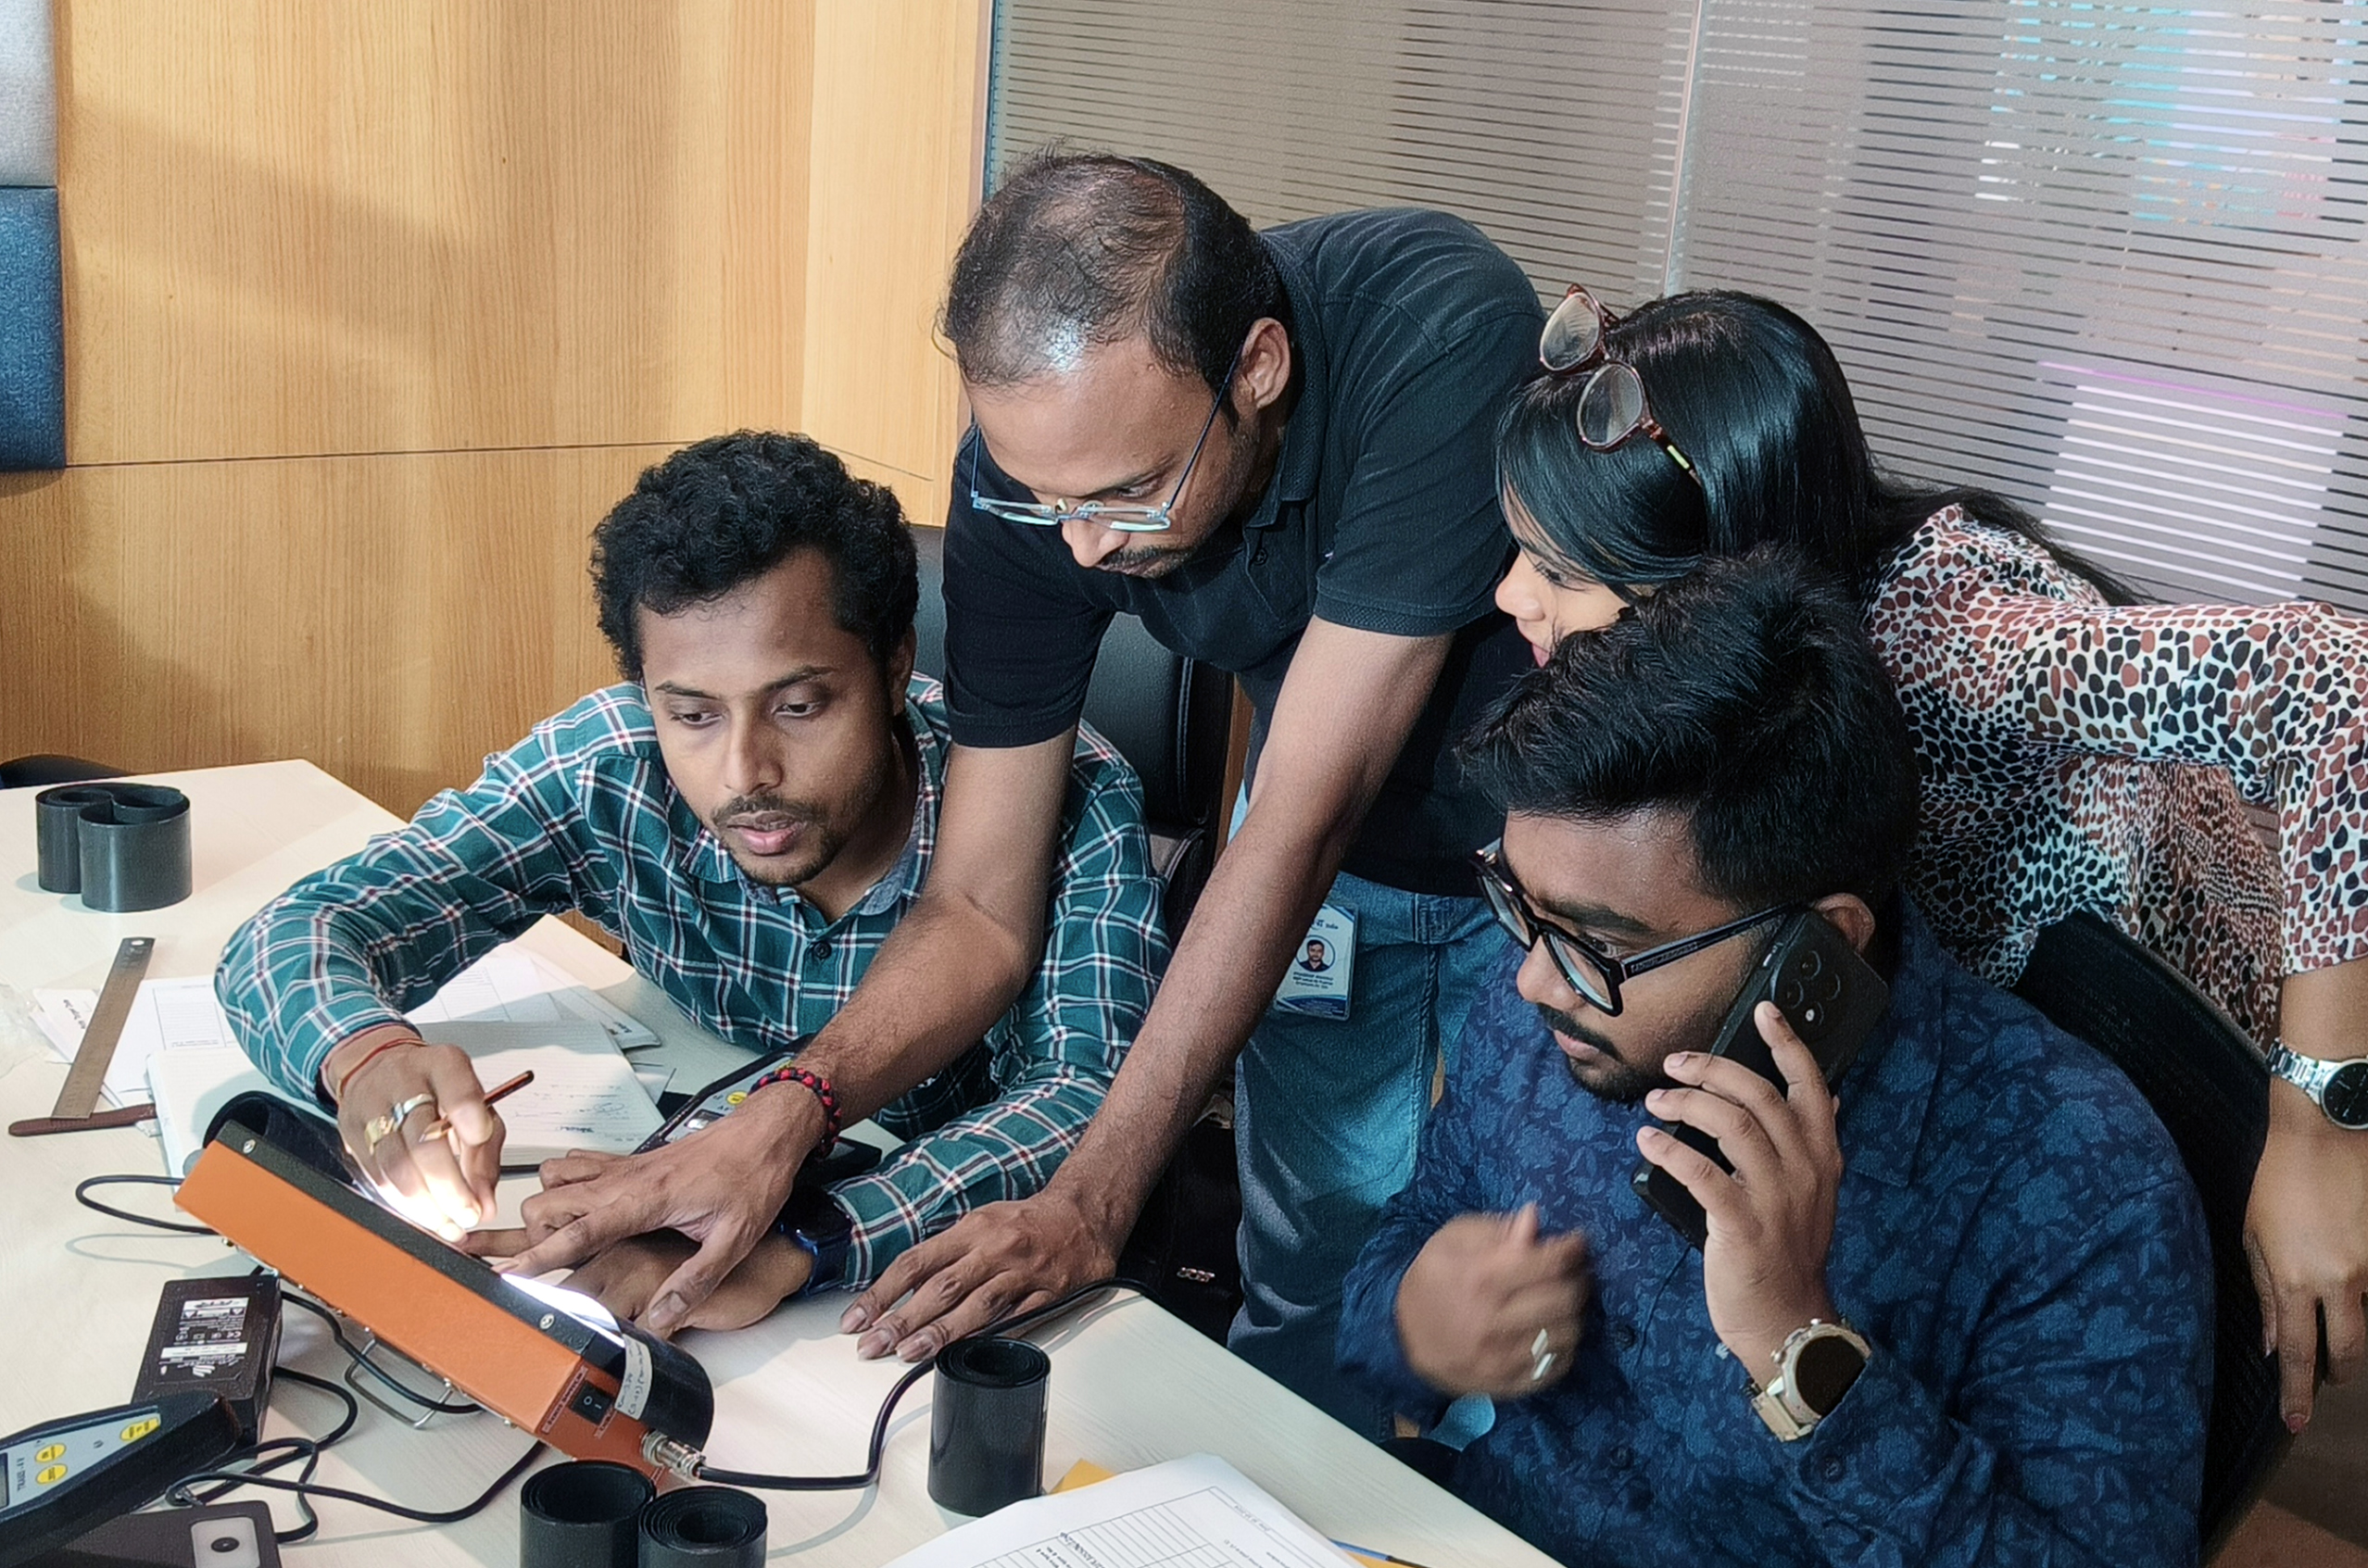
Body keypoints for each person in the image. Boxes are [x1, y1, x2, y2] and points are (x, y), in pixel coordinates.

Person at [1488, 283, 2368, 1431]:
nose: (1513, 598)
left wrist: (2321, 1127)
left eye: (1560, 573)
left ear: (1709, 569)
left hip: (2186, 1045)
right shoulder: (1756, 659)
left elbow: (2338, 687)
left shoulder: (1937, 645)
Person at [823, 153, 1544, 1431]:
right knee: (1308, 1263)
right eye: (1045, 500)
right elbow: (982, 899)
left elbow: (1299, 814)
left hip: (1549, 879)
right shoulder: (1040, 481)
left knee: (1515, 1290)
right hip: (1342, 866)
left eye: (1126, 492)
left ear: (1258, 369)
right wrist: (793, 1111)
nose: (1088, 545)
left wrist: (1095, 1201)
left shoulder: (1439, 329)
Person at [1339, 551, 2212, 1568]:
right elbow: (1406, 1246)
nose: (1531, 978)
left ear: (1821, 945)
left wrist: (1799, 1348)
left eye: (1598, 943)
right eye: (1519, 904)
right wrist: (1409, 1319)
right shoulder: (1553, 1004)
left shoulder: (2080, 1181)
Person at [215, 431, 1165, 1331]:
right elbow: (296, 929)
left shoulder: (1065, 794)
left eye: (797, 705)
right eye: (694, 715)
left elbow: (1088, 1099)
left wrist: (799, 1240)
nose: (745, 770)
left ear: (894, 663)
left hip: (912, 1310)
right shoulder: (610, 762)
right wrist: (367, 1056)